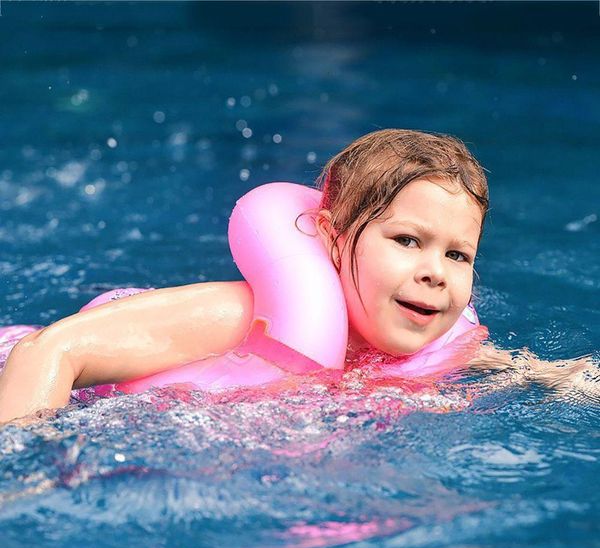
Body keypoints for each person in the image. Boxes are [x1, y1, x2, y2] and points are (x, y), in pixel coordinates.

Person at [0, 129, 595, 423]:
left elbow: (518, 370)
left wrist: (564, 377)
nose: (435, 273)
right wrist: (27, 467)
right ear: (333, 239)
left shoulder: (442, 344)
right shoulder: (232, 317)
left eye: (457, 255)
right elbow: (47, 351)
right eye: (407, 240)